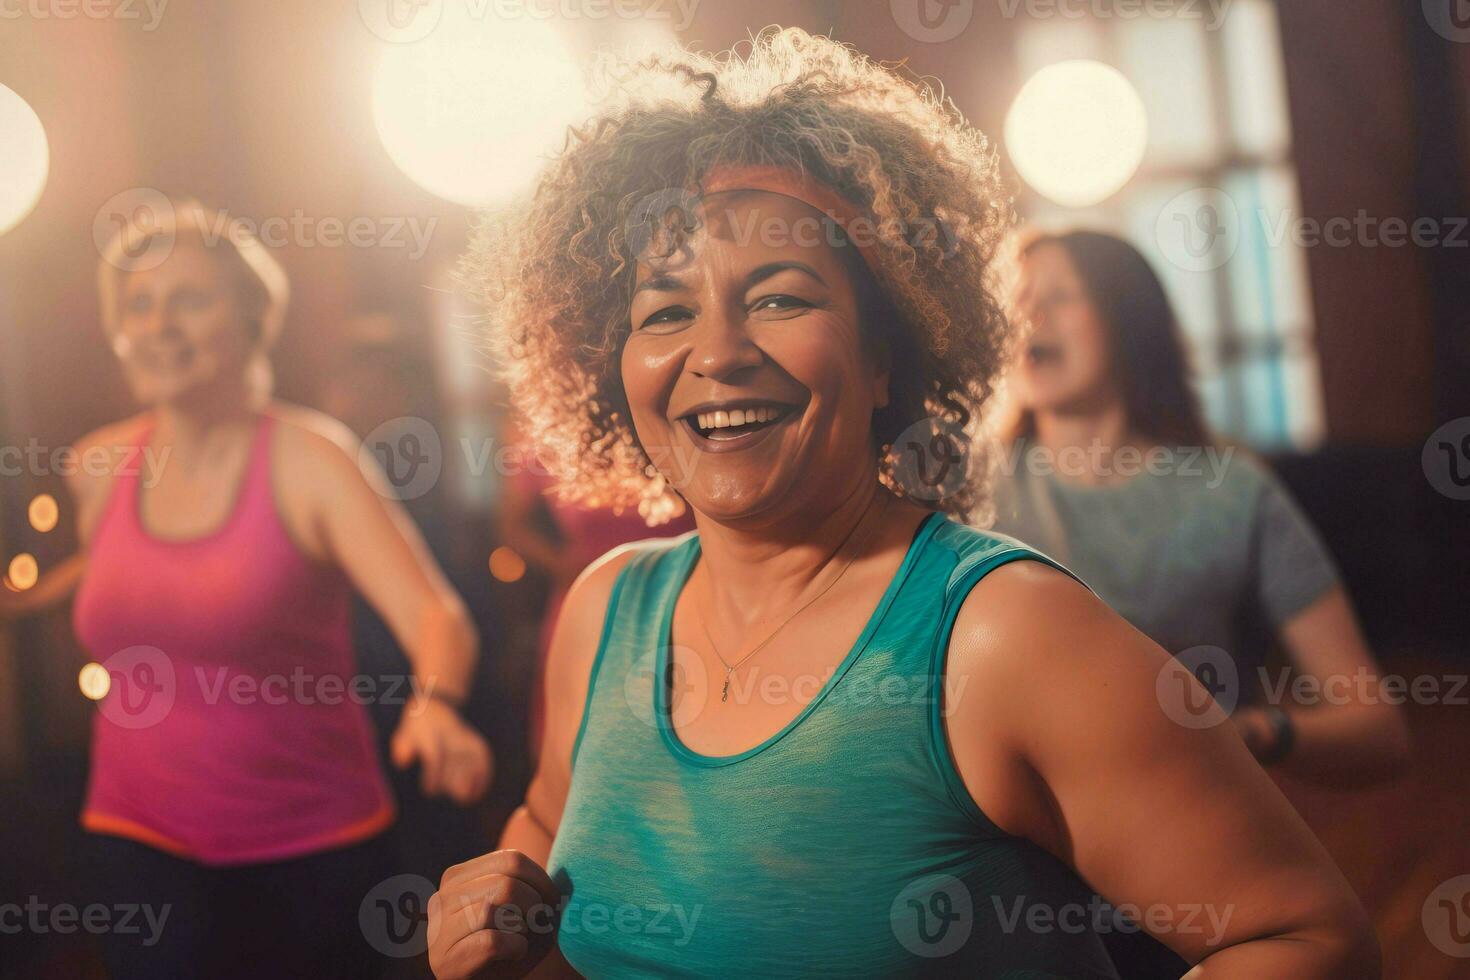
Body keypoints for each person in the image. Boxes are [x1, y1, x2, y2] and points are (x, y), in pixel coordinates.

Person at [428, 29, 1379, 979]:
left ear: (888, 357)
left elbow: (1309, 939)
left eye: (780, 298)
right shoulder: (604, 611)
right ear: (613, 369)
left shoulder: (1005, 634)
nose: (716, 353)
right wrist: (493, 935)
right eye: (666, 311)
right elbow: (550, 837)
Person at [69, 199, 493, 979]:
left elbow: (435, 611)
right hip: (135, 842)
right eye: (138, 303)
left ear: (251, 317)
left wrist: (434, 704)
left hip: (310, 850)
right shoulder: (95, 468)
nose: (159, 323)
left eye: (189, 299)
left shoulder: (311, 461)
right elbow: (130, 590)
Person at [994, 230, 1410, 784]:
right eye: (1019, 299)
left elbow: (1378, 732)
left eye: (1061, 296)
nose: (1031, 317)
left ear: (1129, 320)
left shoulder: (1234, 493)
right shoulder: (964, 492)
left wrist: (1254, 733)